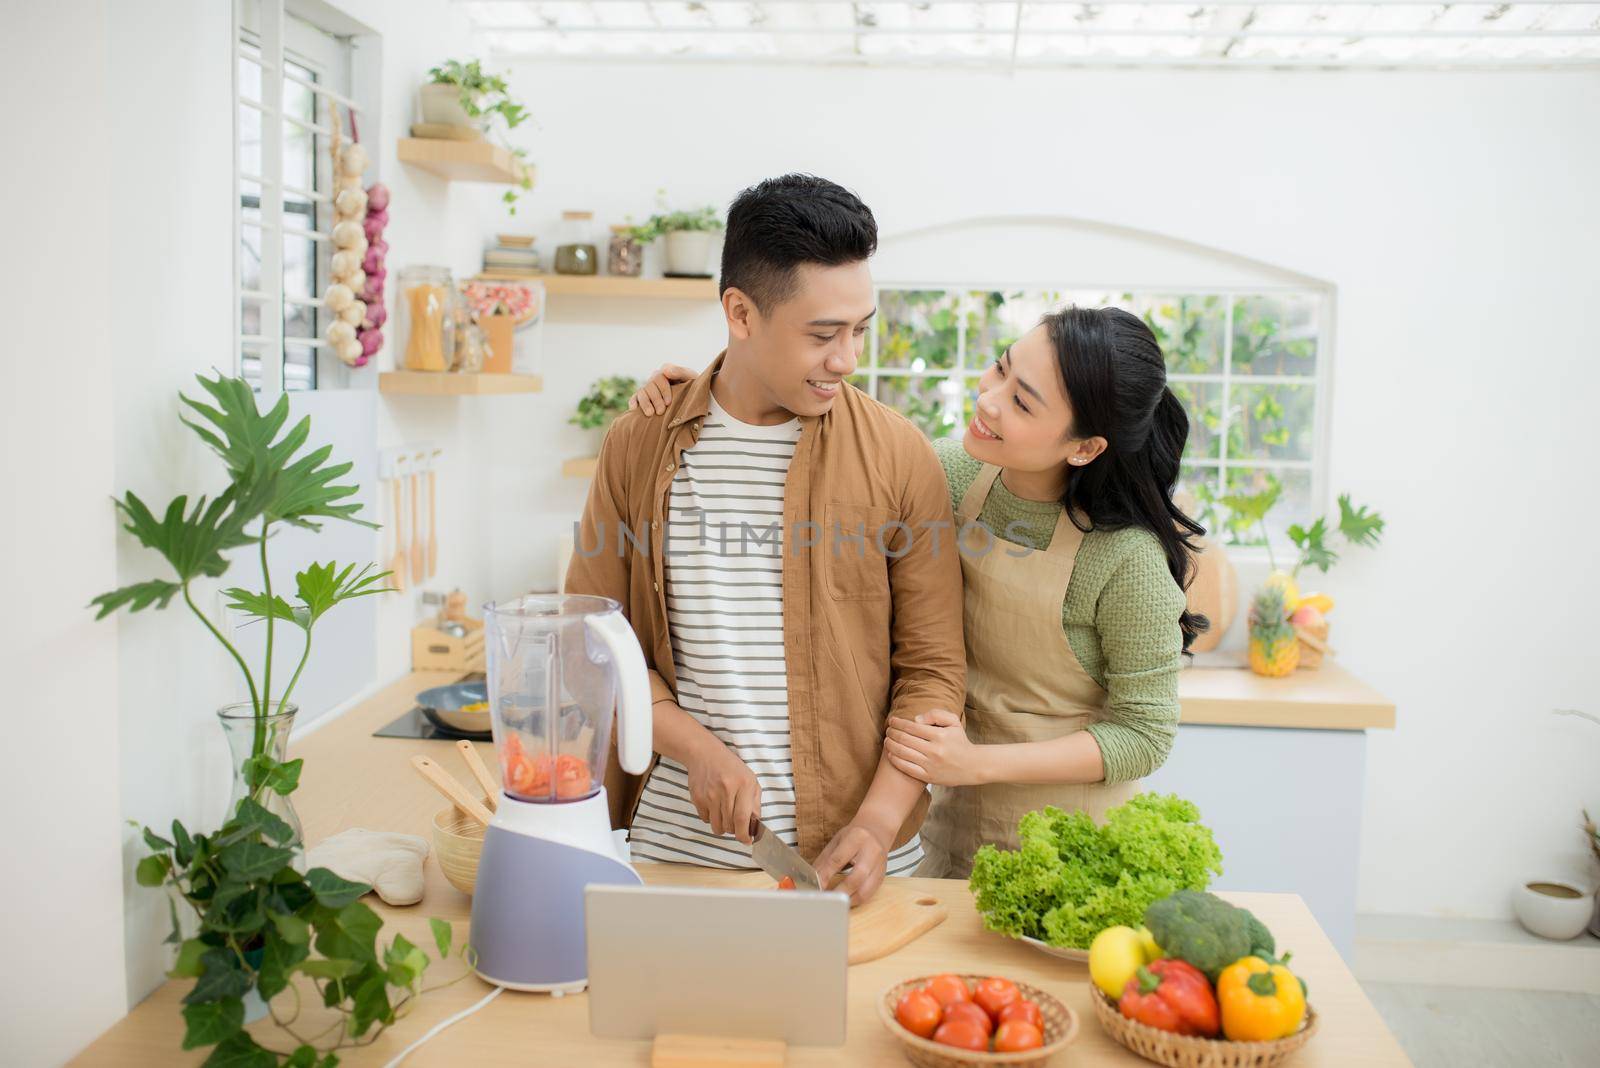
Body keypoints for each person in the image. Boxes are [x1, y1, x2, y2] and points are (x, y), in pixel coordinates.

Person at [628, 304, 1205, 878]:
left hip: (1070, 840)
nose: (989, 400)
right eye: (1000, 369)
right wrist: (714, 391)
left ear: (1085, 447)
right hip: (948, 822)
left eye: (1023, 402)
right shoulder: (951, 473)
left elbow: (1145, 735)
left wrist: (973, 762)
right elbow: (860, 449)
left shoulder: (1128, 561)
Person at [564, 174, 965, 904]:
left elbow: (933, 672)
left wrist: (876, 825)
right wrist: (695, 749)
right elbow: (595, 641)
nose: (848, 358)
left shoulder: (901, 456)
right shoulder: (639, 446)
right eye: (822, 334)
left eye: (860, 328)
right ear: (740, 313)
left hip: (863, 867)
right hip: (676, 856)